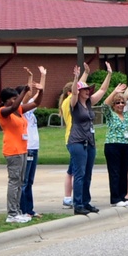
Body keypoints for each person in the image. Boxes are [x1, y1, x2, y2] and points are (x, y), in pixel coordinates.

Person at [68, 62, 111, 215]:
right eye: (84, 89)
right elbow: (73, 93)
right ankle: (77, 204)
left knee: (88, 174)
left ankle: (86, 202)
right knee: (79, 174)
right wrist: (75, 78)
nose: (87, 91)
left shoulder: (89, 103)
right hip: (77, 141)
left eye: (88, 89)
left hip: (90, 141)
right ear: (79, 91)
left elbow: (103, 90)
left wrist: (109, 74)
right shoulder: (74, 104)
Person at [0, 78, 40, 224]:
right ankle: (12, 213)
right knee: (14, 182)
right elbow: (15, 106)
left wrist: (41, 91)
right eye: (14, 98)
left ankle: (18, 211)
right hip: (12, 151)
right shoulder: (3, 111)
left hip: (22, 149)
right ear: (6, 100)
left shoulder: (19, 111)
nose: (17, 101)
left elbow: (36, 103)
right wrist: (23, 92)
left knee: (21, 181)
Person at [102, 81, 128, 207]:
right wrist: (115, 91)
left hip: (126, 145)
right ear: (114, 105)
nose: (120, 105)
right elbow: (104, 105)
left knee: (124, 171)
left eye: (122, 103)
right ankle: (115, 198)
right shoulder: (110, 115)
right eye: (117, 103)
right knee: (115, 172)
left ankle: (122, 196)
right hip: (113, 145)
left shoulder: (127, 115)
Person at [19, 66, 46, 218]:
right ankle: (23, 210)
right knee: (24, 182)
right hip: (27, 148)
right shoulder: (22, 109)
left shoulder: (31, 111)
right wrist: (29, 79)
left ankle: (29, 209)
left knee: (29, 181)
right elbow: (28, 92)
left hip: (34, 148)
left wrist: (42, 76)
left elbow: (39, 92)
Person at [59, 79, 76, 208]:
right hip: (73, 138)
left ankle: (68, 198)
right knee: (75, 171)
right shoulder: (68, 101)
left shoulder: (68, 102)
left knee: (72, 170)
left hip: (72, 138)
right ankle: (70, 198)